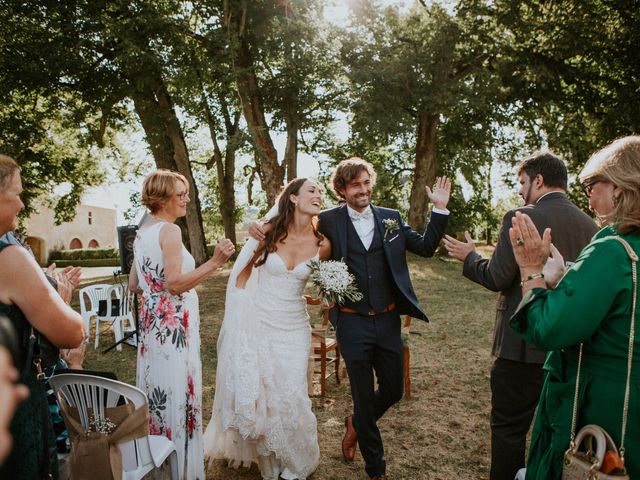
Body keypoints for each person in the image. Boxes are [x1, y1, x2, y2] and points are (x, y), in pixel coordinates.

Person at [442, 151, 597, 480]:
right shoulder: (591, 226)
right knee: (557, 434)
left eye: (522, 182)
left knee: (509, 431)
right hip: (568, 349)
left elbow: (496, 277)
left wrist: (469, 257)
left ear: (538, 181)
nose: (518, 190)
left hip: (521, 346)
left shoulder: (520, 216)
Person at [508, 136, 640, 479]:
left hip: (603, 408)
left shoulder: (614, 249)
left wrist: (532, 271)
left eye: (592, 184)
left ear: (620, 186)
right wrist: (565, 278)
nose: (588, 195)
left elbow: (550, 329)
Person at [319, 157, 450, 480]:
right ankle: (376, 469)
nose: (363, 190)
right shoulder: (327, 220)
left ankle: (355, 423)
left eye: (366, 183)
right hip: (351, 320)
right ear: (341, 190)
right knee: (363, 396)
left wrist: (440, 210)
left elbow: (426, 247)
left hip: (388, 318)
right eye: (355, 185)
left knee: (392, 390)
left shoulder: (390, 218)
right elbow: (304, 246)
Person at [204, 178, 330, 480]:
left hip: (294, 327)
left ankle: (299, 458)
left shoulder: (323, 243)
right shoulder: (269, 232)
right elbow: (242, 274)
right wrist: (241, 314)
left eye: (321, 192)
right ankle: (271, 459)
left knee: (293, 392)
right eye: (311, 190)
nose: (318, 195)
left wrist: (327, 298)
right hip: (261, 322)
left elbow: (322, 285)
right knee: (267, 394)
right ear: (293, 199)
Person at [129, 169, 235, 480]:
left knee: (157, 394)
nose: (186, 199)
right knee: (177, 394)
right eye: (180, 194)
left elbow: (136, 283)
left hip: (152, 330)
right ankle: (181, 470)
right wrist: (215, 262)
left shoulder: (142, 232)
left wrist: (155, 292)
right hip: (174, 330)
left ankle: (159, 464)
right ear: (162, 199)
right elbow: (174, 284)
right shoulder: (170, 232)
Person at [0, 154, 85, 479]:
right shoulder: (10, 258)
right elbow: (71, 333)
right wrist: (61, 299)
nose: (21, 205)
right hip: (13, 413)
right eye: (16, 193)